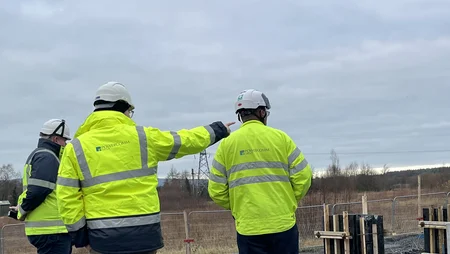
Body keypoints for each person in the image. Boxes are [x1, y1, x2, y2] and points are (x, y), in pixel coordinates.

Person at [55, 81, 235, 254]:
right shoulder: (144, 137)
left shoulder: (75, 148)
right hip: (145, 235)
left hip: (102, 239)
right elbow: (185, 141)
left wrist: (80, 235)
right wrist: (217, 130)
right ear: (122, 107)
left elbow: (66, 196)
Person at [207, 89, 313, 254]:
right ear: (262, 112)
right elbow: (303, 176)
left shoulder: (226, 145)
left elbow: (216, 190)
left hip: (249, 228)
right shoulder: (281, 138)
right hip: (283, 224)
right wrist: (288, 200)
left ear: (240, 115)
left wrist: (239, 207)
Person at [11, 119, 73, 254]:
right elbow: (38, 191)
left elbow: (34, 190)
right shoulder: (47, 157)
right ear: (56, 139)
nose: (66, 144)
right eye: (65, 140)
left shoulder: (40, 155)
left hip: (49, 231)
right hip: (52, 231)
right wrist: (22, 209)